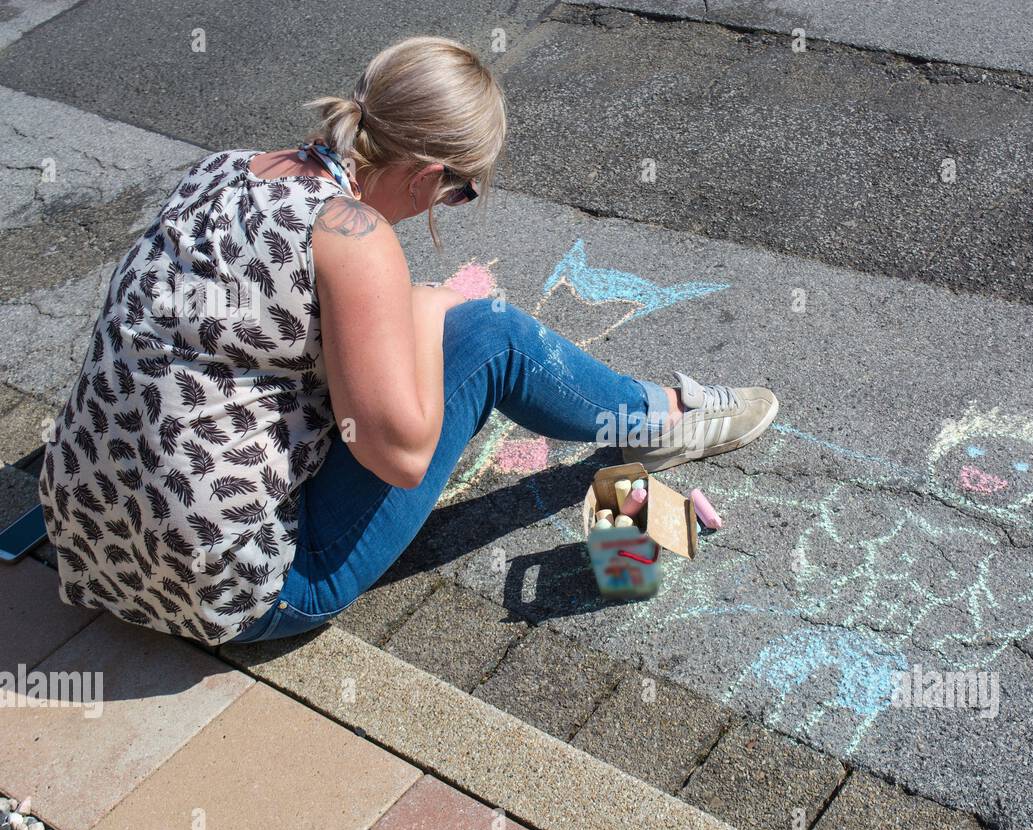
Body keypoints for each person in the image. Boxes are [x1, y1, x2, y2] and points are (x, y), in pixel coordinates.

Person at [37, 36, 778, 647]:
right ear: (428, 176)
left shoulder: (225, 166)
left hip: (89, 544)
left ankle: (648, 416)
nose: (456, 206)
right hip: (236, 594)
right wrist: (429, 312)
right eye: (463, 191)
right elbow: (402, 456)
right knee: (490, 336)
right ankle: (665, 419)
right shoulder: (352, 236)